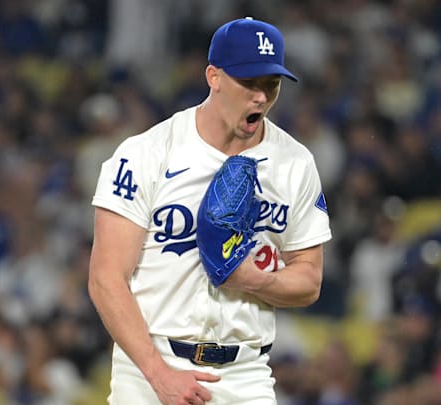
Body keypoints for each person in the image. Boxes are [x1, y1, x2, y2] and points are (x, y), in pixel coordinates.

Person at [88, 17, 332, 405]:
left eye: (271, 85)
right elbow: (105, 278)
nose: (261, 97)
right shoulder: (147, 153)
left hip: (245, 373)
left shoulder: (294, 163)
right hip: (151, 366)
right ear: (213, 77)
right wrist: (159, 374)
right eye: (249, 83)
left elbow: (309, 280)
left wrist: (250, 279)